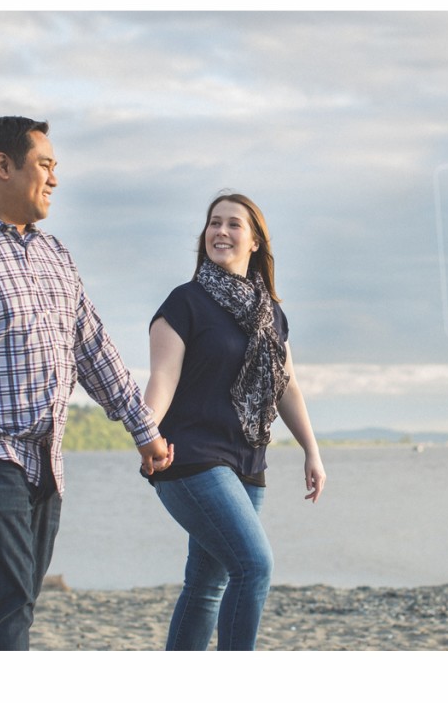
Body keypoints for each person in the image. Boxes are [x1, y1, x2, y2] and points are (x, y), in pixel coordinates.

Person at [0, 116, 171, 651]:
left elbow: (92, 349)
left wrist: (144, 428)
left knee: (4, 600)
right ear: (3, 166)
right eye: (45, 164)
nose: (55, 179)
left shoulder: (53, 254)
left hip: (45, 460)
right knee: (7, 601)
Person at [144, 191, 326, 650]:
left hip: (248, 461)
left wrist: (312, 450)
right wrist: (144, 434)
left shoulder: (270, 315)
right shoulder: (184, 303)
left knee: (207, 585)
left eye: (232, 224)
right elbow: (162, 379)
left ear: (255, 242)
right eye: (213, 223)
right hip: (189, 458)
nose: (220, 232)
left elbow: (287, 387)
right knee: (254, 564)